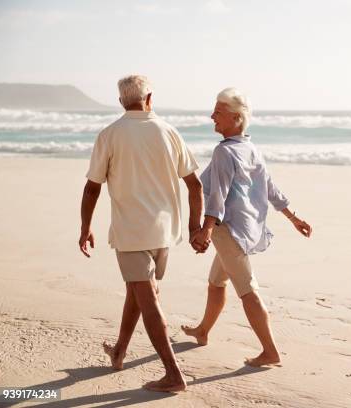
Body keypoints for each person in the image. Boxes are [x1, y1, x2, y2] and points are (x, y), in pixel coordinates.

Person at [79, 75, 207, 392]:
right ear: (150, 98)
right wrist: (194, 228)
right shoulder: (169, 132)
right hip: (164, 233)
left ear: (121, 101)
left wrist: (85, 227)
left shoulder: (109, 134)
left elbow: (92, 188)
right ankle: (119, 351)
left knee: (147, 299)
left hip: (131, 233)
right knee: (138, 292)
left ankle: (174, 375)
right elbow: (195, 185)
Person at [182, 87, 312, 367]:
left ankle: (270, 350)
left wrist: (205, 229)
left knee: (247, 289)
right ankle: (203, 330)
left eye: (218, 112)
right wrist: (294, 217)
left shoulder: (224, 152)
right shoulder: (250, 147)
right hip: (242, 227)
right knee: (216, 282)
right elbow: (270, 189)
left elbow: (218, 196)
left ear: (236, 118)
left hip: (227, 230)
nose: (212, 116)